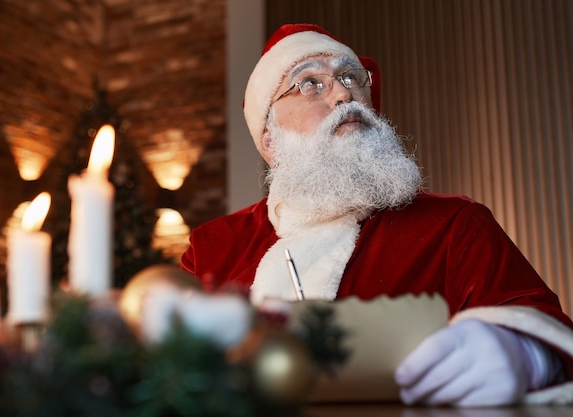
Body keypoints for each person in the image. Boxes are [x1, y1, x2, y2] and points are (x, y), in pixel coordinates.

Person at [180, 23, 573, 406]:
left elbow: (545, 327)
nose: (342, 94)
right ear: (269, 138)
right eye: (310, 84)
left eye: (352, 77)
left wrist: (525, 356)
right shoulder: (212, 249)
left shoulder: (456, 224)